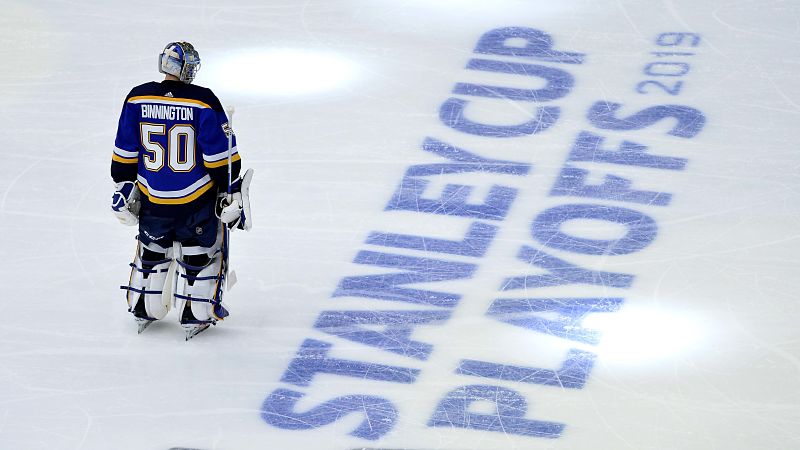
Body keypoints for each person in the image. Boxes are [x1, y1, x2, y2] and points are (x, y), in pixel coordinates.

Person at [111, 41, 253, 340]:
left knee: (152, 253)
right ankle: (195, 312)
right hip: (195, 200)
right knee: (199, 255)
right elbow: (222, 160)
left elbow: (124, 153)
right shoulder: (203, 101)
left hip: (154, 199)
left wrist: (124, 184)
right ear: (187, 68)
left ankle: (143, 306)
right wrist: (230, 187)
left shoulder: (137, 97)